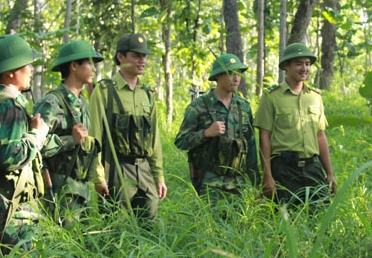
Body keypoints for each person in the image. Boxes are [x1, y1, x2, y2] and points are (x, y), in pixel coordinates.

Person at [0, 34, 49, 255]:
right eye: (27, 65)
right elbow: (9, 157)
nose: (31, 70)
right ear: (10, 71)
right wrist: (37, 135)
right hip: (10, 212)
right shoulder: (9, 107)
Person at [89, 33, 166, 221]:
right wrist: (99, 176)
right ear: (120, 57)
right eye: (136, 56)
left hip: (145, 169)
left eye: (144, 56)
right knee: (116, 229)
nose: (142, 60)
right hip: (116, 169)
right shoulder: (105, 91)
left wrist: (159, 175)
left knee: (150, 226)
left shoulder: (148, 93)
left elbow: (153, 138)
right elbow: (94, 137)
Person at [254, 43, 337, 205]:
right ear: (286, 66)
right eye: (298, 63)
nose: (304, 68)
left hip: (312, 167)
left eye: (307, 64)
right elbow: (264, 138)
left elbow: (320, 135)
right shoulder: (271, 97)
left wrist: (329, 173)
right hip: (284, 169)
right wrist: (267, 175)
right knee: (285, 220)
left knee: (320, 217)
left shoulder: (315, 97)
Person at [34, 40, 105, 227]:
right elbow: (33, 146)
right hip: (60, 191)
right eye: (89, 63)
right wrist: (68, 140)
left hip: (81, 190)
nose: (93, 69)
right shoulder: (52, 103)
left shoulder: (82, 103)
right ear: (74, 66)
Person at [174, 54, 259, 202]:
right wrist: (206, 133)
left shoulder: (244, 107)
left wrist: (256, 183)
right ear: (218, 76)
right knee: (210, 225)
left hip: (238, 185)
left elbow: (250, 145)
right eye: (231, 73)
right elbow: (181, 141)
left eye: (239, 74)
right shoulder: (199, 106)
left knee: (238, 224)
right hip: (209, 184)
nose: (236, 78)